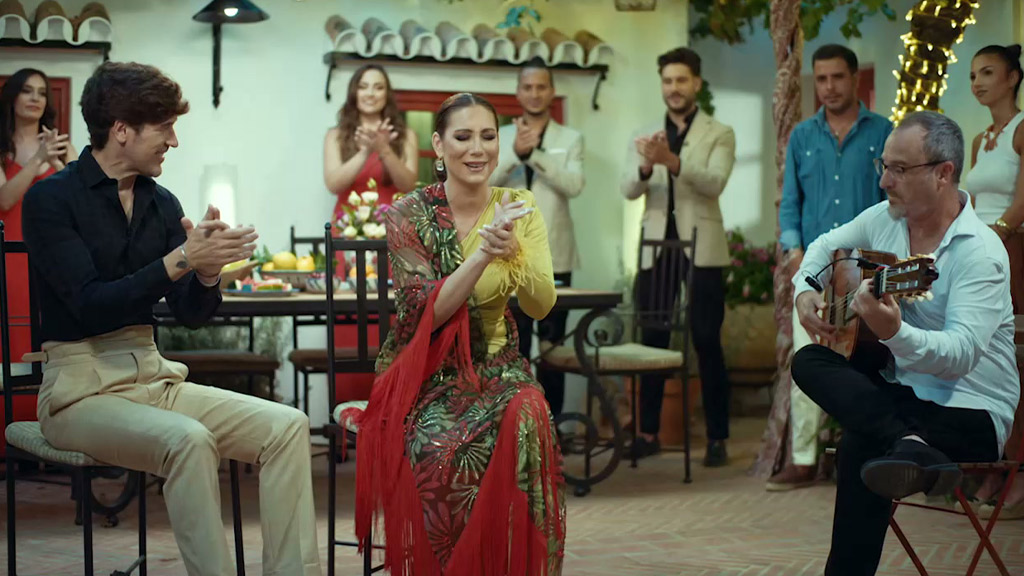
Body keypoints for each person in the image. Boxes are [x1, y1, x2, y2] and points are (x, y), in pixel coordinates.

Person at [22, 62, 321, 576]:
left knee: (288, 427)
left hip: (154, 378)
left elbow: (190, 314)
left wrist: (206, 272)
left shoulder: (162, 204)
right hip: (77, 391)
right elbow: (90, 305)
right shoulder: (50, 199)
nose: (174, 141)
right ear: (122, 129)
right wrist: (182, 258)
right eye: (165, 127)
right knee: (189, 440)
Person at [791, 111, 1019, 576]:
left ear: (943, 173)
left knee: (861, 440)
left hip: (970, 411)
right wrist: (805, 290)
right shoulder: (885, 219)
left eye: (898, 169)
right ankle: (908, 443)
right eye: (884, 166)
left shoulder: (980, 252)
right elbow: (823, 245)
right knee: (809, 360)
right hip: (904, 397)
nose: (884, 181)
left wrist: (894, 332)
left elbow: (960, 357)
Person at [354, 93, 565, 576]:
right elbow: (423, 315)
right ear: (438, 144)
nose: (477, 149)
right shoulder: (408, 213)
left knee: (530, 411)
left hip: (499, 367)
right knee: (440, 447)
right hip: (429, 373)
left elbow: (541, 305)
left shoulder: (519, 206)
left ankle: (513, 564)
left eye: (488, 137)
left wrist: (515, 252)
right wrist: (484, 255)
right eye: (463, 137)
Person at [769, 45, 893, 491]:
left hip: (867, 271)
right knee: (809, 357)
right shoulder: (803, 136)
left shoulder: (883, 131)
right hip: (814, 270)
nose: (828, 87)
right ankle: (803, 459)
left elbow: (891, 201)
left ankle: (864, 452)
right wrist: (794, 252)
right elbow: (790, 202)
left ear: (855, 78)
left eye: (837, 77)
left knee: (870, 360)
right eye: (821, 79)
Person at [620, 46, 735, 466]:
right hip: (656, 247)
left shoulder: (720, 132)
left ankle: (717, 438)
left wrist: (672, 161)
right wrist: (646, 167)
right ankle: (648, 431)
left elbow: (715, 182)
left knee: (706, 339)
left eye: (681, 80)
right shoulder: (645, 132)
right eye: (667, 81)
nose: (673, 88)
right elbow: (628, 189)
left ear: (696, 84)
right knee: (652, 337)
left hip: (703, 246)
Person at [491, 56, 584, 416]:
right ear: (518, 92)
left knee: (552, 348)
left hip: (555, 253)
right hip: (506, 254)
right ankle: (512, 424)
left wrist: (536, 155)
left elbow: (574, 185)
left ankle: (553, 425)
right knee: (510, 346)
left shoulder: (571, 138)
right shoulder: (500, 135)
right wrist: (515, 154)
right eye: (527, 87)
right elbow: (484, 183)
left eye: (541, 87)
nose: (534, 93)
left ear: (551, 91)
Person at [964, 43, 1024, 518]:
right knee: (982, 360)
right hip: (979, 254)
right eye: (972, 75)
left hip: (1012, 250)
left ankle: (1019, 472)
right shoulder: (979, 138)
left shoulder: (1022, 129)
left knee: (1016, 361)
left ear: (1012, 78)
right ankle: (994, 465)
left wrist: (994, 237)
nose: (977, 82)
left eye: (987, 72)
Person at [0, 68, 76, 364]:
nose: (35, 98)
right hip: (10, 256)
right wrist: (38, 160)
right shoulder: (2, 147)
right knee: (13, 330)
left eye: (42, 93)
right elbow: (5, 200)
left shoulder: (63, 147)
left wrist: (56, 164)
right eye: (27, 91)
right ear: (12, 97)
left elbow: (84, 202)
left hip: (54, 256)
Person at [323, 63, 418, 211]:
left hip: (394, 221)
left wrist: (384, 150)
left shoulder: (406, 134)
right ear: (354, 93)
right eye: (363, 87)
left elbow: (409, 186)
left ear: (387, 94)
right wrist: (365, 152)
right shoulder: (335, 135)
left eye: (378, 88)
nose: (370, 94)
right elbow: (333, 185)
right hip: (348, 222)